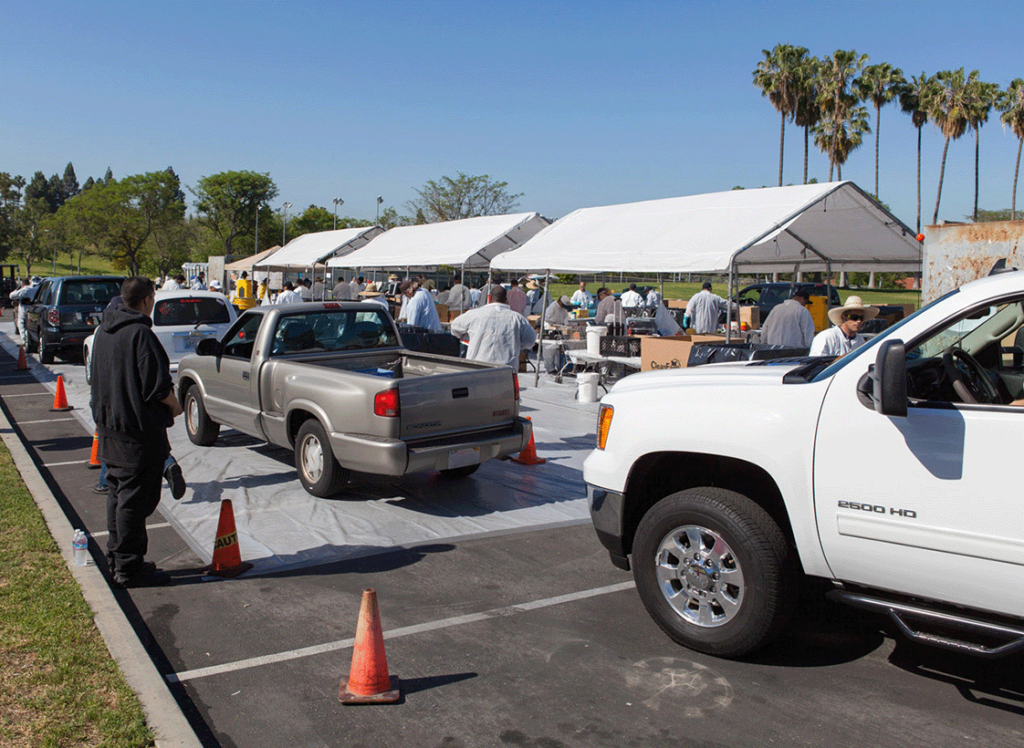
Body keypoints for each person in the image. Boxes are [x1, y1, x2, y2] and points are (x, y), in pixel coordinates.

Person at [91, 277, 182, 588]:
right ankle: (129, 567)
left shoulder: (104, 331)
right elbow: (157, 387)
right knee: (134, 501)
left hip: (109, 427)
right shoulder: (141, 334)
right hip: (137, 432)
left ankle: (117, 556)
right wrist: (175, 406)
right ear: (146, 300)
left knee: (118, 495)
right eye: (153, 298)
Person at [450, 285, 536, 368]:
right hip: (506, 369)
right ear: (506, 300)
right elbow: (530, 341)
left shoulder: (474, 314)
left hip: (477, 367)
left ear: (489, 298)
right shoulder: (518, 318)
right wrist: (515, 343)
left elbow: (454, 328)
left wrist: (470, 336)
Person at [810, 296, 878, 356]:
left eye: (861, 318)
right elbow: (816, 363)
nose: (859, 321)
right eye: (854, 317)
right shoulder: (826, 337)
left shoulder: (861, 341)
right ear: (843, 318)